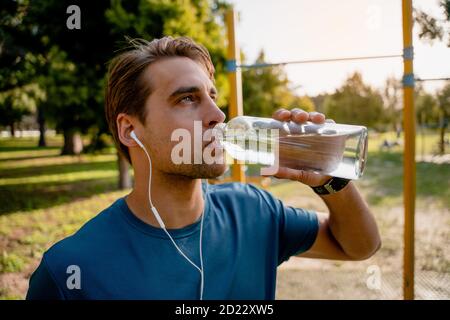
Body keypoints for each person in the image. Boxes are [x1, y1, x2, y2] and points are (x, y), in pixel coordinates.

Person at [26, 36, 381, 300]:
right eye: (187, 99)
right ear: (130, 129)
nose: (217, 115)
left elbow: (359, 246)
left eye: (212, 96)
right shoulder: (70, 270)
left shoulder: (253, 210)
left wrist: (331, 182)